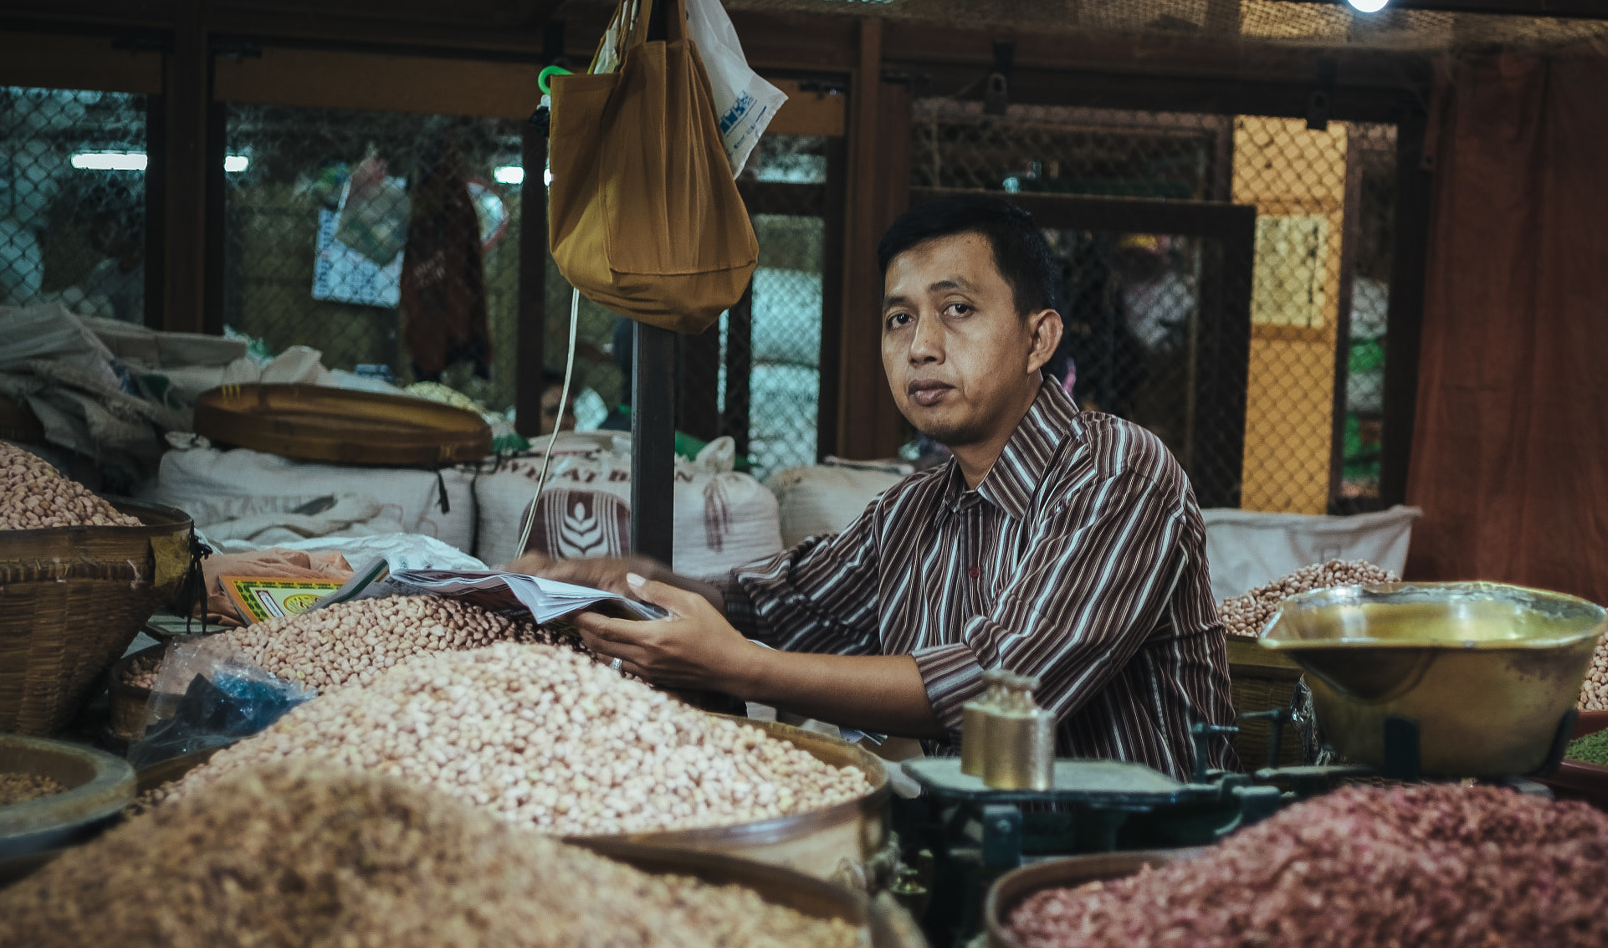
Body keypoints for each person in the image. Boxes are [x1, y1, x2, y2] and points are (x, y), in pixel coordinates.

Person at [517, 196, 1231, 778]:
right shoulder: (914, 509)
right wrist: (625, 582)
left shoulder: (1119, 470)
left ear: (1039, 339)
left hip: (1135, 867)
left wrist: (747, 668)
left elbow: (1004, 684)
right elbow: (770, 604)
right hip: (970, 854)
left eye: (957, 309)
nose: (921, 345)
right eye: (899, 318)